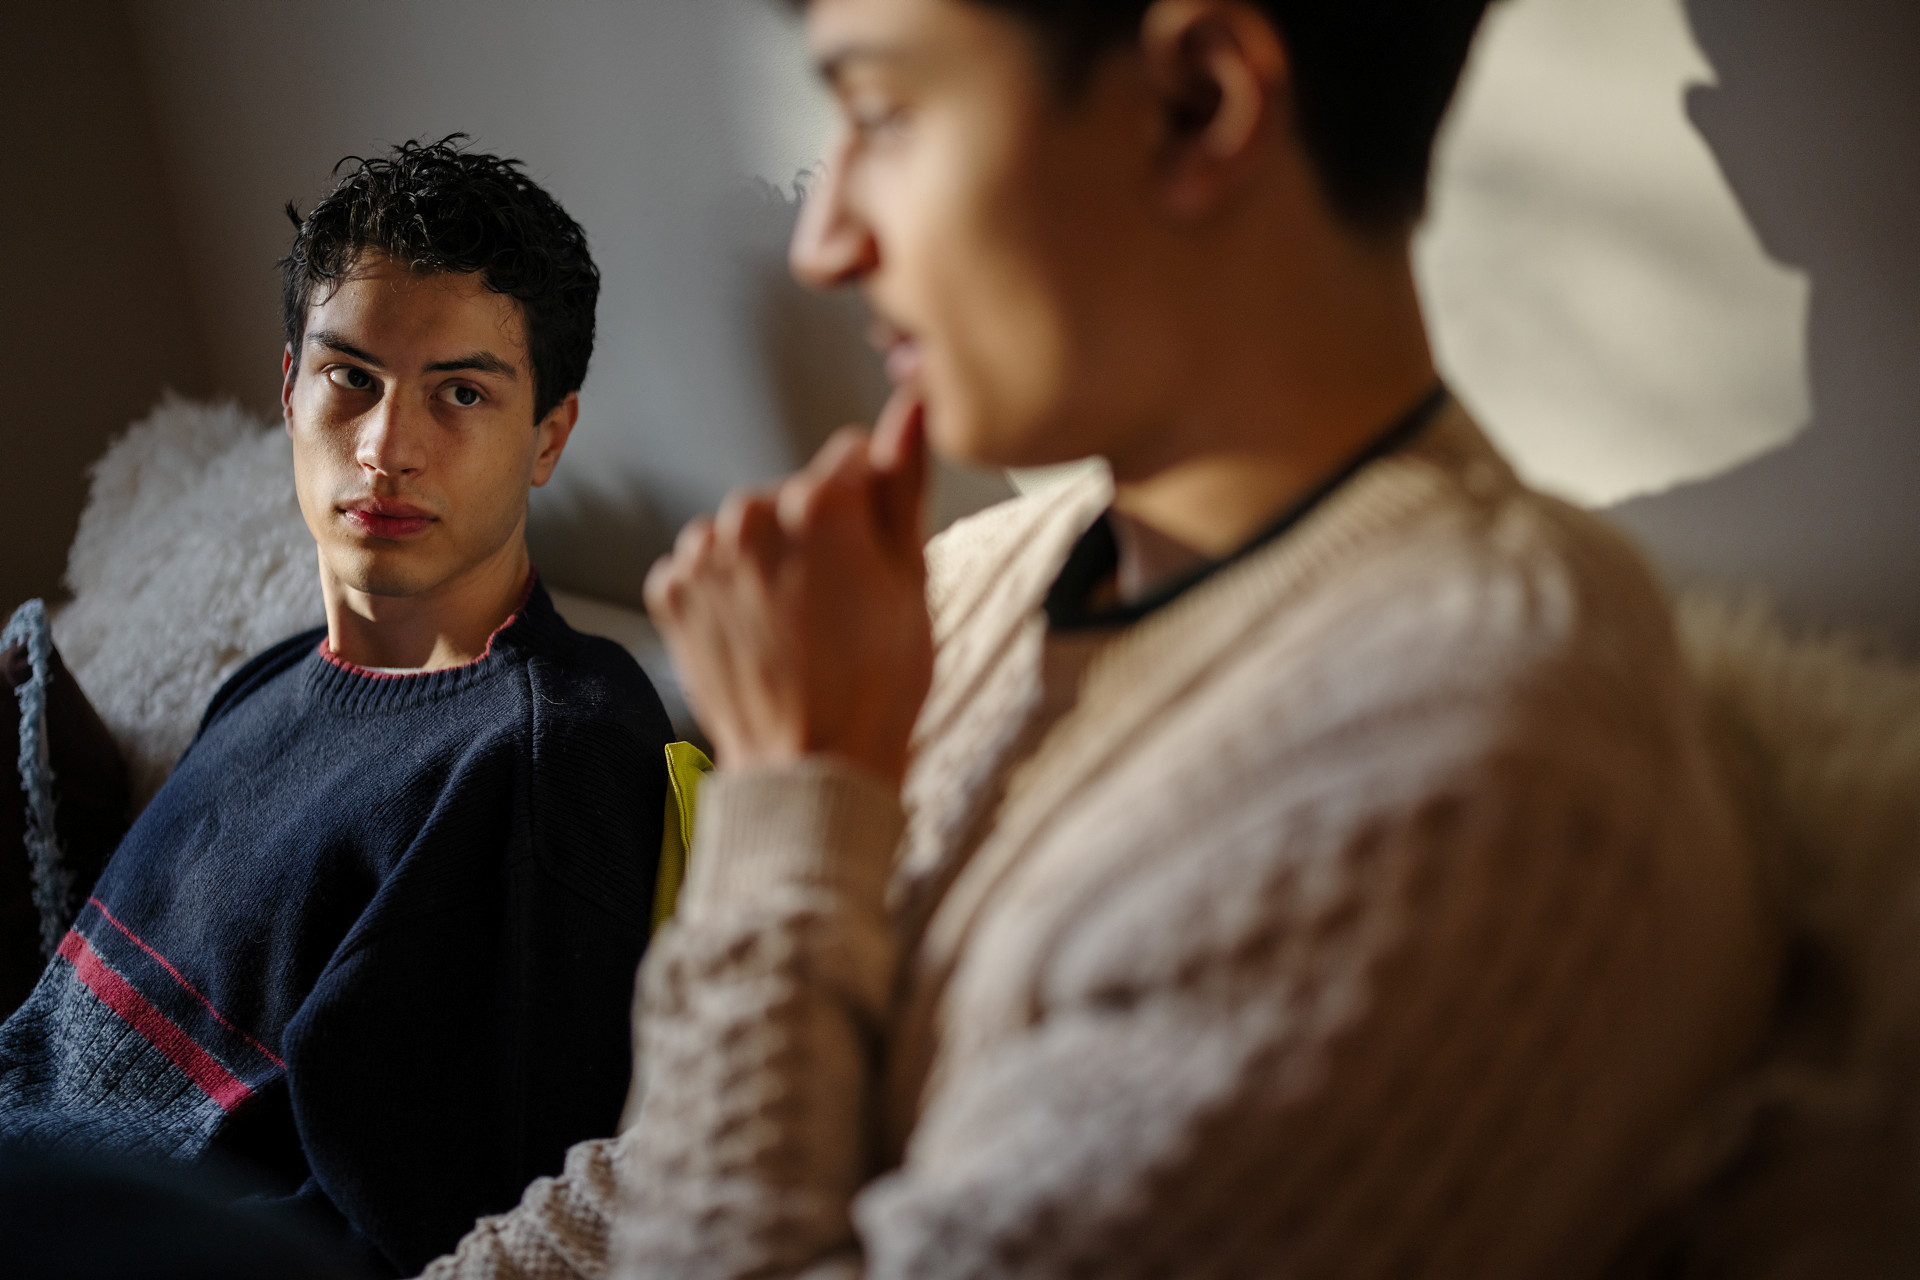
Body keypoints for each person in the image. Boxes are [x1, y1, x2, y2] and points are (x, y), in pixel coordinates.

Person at [425, 1, 1779, 1276]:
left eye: (883, 112)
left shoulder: (1474, 779)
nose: (822, 242)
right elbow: (677, 1169)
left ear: (1199, 105)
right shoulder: (979, 584)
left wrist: (793, 798)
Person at [0, 138, 674, 1277]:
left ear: (549, 438)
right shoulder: (269, 679)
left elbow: (435, 1235)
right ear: (289, 391)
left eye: (461, 393)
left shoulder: (548, 754)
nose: (384, 449)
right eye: (351, 377)